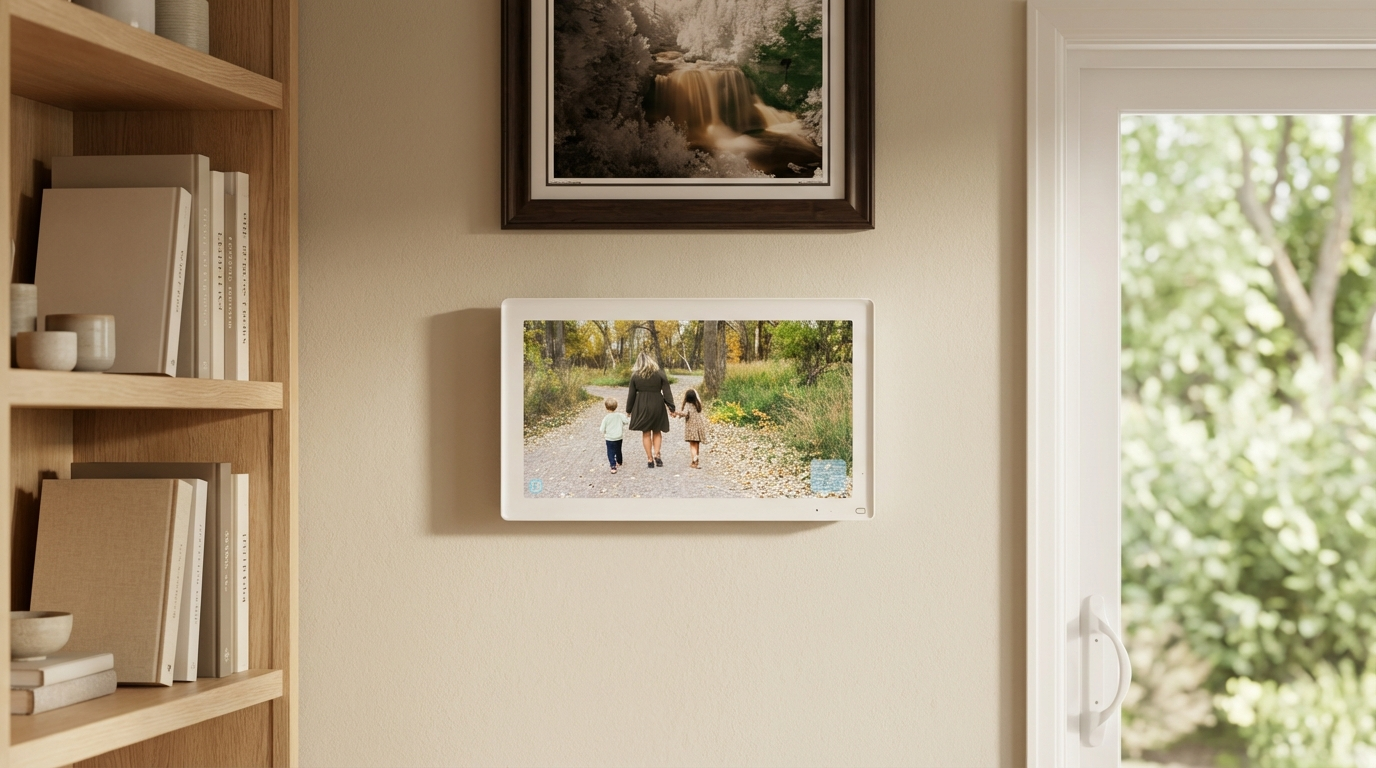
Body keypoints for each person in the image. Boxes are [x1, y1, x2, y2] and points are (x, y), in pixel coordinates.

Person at [625, 350, 675, 468]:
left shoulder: (635, 375)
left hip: (642, 405)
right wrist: (671, 407)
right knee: (657, 431)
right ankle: (657, 455)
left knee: (646, 433)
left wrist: (629, 410)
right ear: (651, 361)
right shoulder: (660, 373)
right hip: (657, 403)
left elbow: (631, 395)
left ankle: (649, 459)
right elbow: (667, 392)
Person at [671, 388, 708, 468]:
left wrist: (676, 413)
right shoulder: (698, 404)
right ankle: (696, 460)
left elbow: (684, 413)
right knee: (697, 443)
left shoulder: (687, 404)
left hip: (691, 428)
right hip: (699, 426)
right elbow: (698, 396)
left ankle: (694, 462)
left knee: (692, 444)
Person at [599, 397, 630, 473]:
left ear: (606, 407)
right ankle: (619, 461)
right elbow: (626, 421)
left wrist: (605, 431)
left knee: (610, 451)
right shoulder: (620, 415)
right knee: (618, 449)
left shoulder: (606, 418)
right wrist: (628, 417)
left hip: (609, 438)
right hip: (619, 437)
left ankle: (613, 466)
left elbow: (601, 429)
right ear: (616, 406)